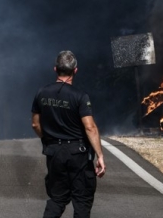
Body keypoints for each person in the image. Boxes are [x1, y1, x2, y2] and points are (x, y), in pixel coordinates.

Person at [31, 50, 106, 218]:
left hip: (54, 152)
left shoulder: (41, 93)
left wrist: (46, 138)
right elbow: (90, 128)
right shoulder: (80, 96)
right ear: (75, 70)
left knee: (57, 199)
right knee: (82, 200)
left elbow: (35, 124)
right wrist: (99, 155)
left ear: (55, 69)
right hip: (77, 154)